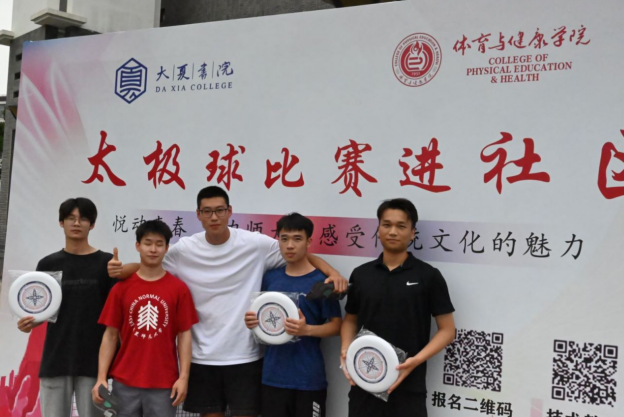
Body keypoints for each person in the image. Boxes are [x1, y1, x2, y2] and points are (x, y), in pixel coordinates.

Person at [108, 186, 347, 417]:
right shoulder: (184, 250)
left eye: (220, 210)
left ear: (229, 211)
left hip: (246, 356)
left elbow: (299, 253)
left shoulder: (255, 244)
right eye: (207, 211)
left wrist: (333, 273)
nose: (214, 217)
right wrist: (121, 271)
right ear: (198, 214)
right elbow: (149, 265)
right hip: (202, 356)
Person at [340, 198, 456, 417]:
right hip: (364, 382)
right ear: (378, 229)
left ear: (412, 233)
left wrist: (415, 361)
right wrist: (346, 351)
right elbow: (350, 320)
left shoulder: (428, 276)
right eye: (386, 225)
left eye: (401, 226)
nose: (393, 231)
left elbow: (448, 330)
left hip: (408, 387)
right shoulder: (361, 274)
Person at [16, 198, 114, 417]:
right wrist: (29, 323)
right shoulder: (48, 264)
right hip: (55, 358)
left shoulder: (106, 263)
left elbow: (114, 317)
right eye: (71, 218)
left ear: (92, 224)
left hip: (94, 362)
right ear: (61, 222)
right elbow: (42, 310)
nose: (76, 223)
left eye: (83, 219)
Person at [93, 220, 198, 417]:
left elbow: (184, 335)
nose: (153, 249)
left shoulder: (179, 289)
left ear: (167, 248)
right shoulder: (120, 289)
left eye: (159, 244)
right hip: (124, 381)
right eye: (148, 243)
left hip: (164, 383)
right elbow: (110, 335)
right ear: (137, 246)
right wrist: (101, 377)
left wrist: (183, 377)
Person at [244, 213, 342, 417]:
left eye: (297, 239)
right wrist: (253, 321)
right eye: (284, 238)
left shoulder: (323, 282)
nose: (290, 245)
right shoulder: (269, 278)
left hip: (309, 379)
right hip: (272, 377)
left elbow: (337, 326)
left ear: (309, 242)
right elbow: (262, 316)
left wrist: (307, 330)